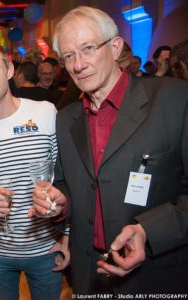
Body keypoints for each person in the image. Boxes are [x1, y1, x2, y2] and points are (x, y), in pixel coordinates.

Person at [31, 5, 188, 295]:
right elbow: (67, 184)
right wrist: (59, 203)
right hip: (90, 274)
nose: (78, 65)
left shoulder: (174, 100)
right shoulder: (66, 120)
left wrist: (147, 231)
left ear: (116, 48)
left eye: (88, 48)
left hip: (157, 274)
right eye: (68, 56)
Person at [0, 40, 69, 300]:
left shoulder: (45, 113)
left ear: (9, 70)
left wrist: (67, 235)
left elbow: (66, 179)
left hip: (47, 248)